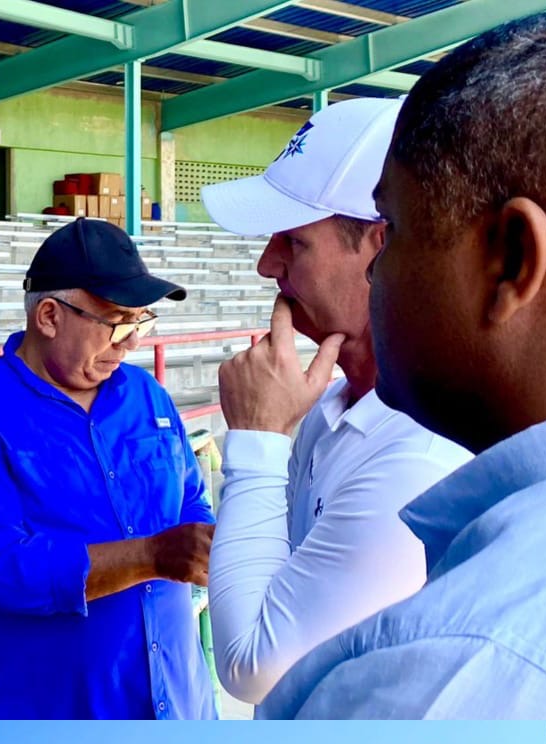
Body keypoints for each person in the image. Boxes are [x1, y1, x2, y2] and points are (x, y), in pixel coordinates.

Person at [264, 14, 546, 717]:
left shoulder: (446, 672)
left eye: (394, 230)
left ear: (510, 261)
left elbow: (254, 663)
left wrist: (253, 443)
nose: (377, 270)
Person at [202, 99, 471, 708]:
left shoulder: (420, 456)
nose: (266, 264)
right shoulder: (330, 409)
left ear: (381, 247)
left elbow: (253, 668)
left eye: (294, 242)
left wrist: (258, 440)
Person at [0, 218, 216, 719]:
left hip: (178, 700)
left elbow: (189, 498)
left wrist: (204, 545)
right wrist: (151, 556)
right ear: (49, 316)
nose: (130, 343)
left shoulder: (146, 394)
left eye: (141, 322)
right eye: (116, 322)